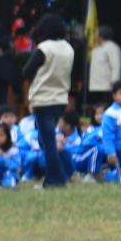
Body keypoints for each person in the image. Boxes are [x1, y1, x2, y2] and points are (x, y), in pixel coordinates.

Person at [22, 14, 77, 188]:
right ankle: (60, 174)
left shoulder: (44, 48)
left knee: (48, 141)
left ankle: (54, 179)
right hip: (61, 98)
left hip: (43, 99)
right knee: (46, 138)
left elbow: (26, 72)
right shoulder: (68, 48)